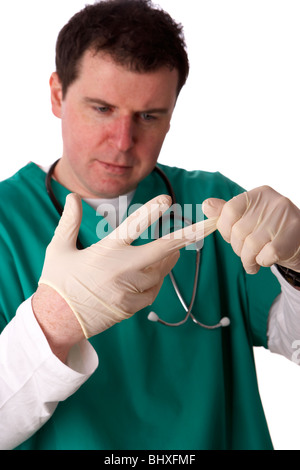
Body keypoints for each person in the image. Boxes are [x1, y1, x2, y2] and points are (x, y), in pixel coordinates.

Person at [0, 0, 299, 451]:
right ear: (58, 94)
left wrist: (299, 261)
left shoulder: (216, 205)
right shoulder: (6, 222)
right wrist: (52, 324)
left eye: (148, 116)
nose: (123, 142)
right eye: (101, 108)